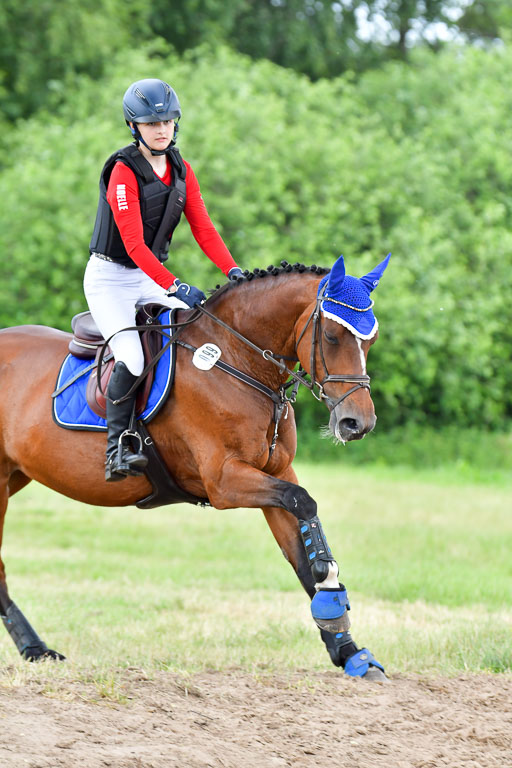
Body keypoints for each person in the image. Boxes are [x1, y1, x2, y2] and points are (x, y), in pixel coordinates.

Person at [84, 78, 243, 482]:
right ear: (133, 127)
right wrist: (174, 286)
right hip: (110, 279)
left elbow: (204, 230)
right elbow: (135, 245)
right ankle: (117, 447)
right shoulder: (123, 172)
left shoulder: (181, 169)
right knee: (134, 356)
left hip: (146, 276)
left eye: (168, 121)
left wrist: (233, 271)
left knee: (196, 332)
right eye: (152, 123)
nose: (161, 130)